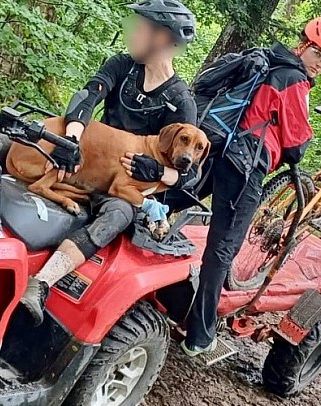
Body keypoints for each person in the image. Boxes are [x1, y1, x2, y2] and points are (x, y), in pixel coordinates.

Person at [20, 0, 199, 325]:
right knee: (11, 138)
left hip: (123, 188)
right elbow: (88, 96)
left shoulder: (181, 103)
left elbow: (189, 175)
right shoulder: (123, 65)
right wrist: (70, 139)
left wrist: (160, 171)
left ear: (162, 37)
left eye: (141, 28)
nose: (133, 33)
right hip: (84, 157)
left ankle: (41, 283)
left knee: (118, 213)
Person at [179, 17, 321, 356]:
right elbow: (297, 144)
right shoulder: (293, 80)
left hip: (216, 149)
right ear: (308, 46)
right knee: (223, 248)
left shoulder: (266, 60)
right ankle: (200, 334)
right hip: (245, 168)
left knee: (176, 197)